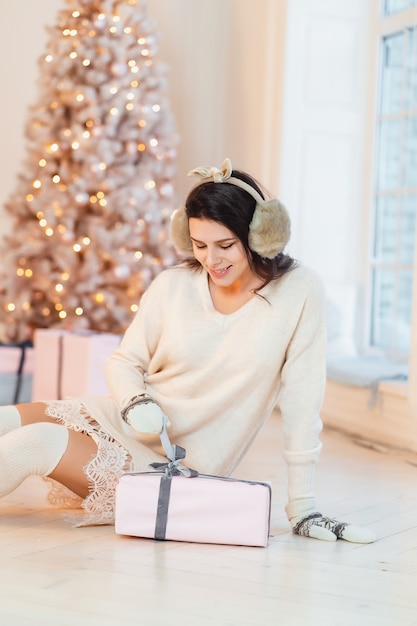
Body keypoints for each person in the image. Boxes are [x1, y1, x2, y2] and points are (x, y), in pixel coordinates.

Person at [0, 158, 375, 543]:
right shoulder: (174, 284)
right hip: (125, 417)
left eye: (225, 245)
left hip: (172, 466)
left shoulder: (299, 292)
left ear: (259, 235)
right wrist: (133, 401)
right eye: (199, 245)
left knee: (35, 443)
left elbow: (302, 402)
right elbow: (124, 361)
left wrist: (303, 506)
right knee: (10, 419)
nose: (211, 260)